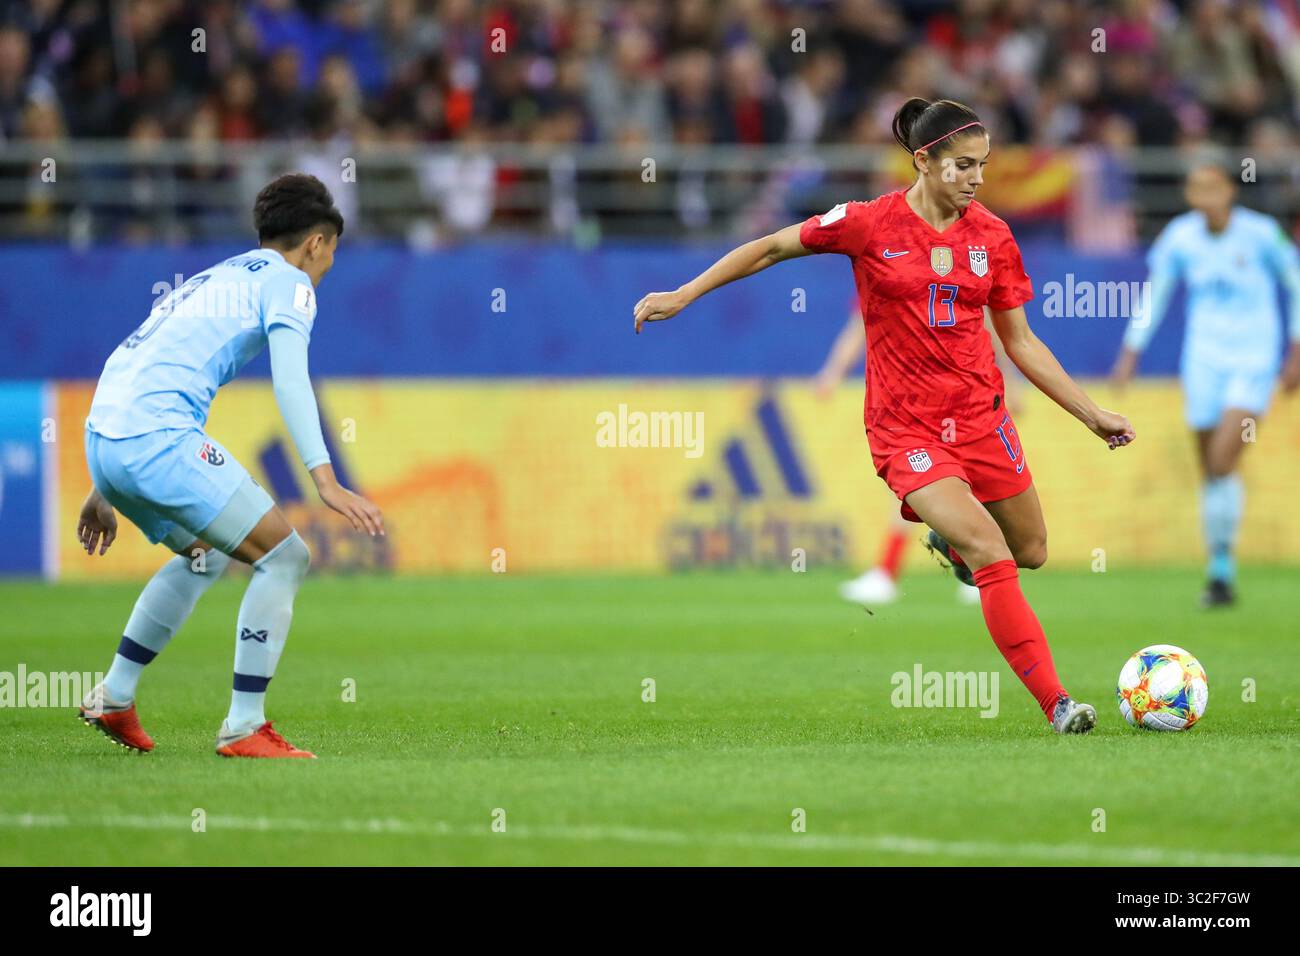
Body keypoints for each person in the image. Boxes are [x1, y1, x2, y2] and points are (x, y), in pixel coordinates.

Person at [634, 98, 1136, 733]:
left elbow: (1022, 341)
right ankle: (1058, 703)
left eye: (982, 165)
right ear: (923, 161)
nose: (976, 178)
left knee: (1031, 550)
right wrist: (686, 293)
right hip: (906, 430)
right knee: (987, 549)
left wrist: (1090, 414)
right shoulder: (868, 223)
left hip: (982, 419)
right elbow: (770, 248)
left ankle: (948, 543)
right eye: (961, 165)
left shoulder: (994, 237)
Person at [76, 173, 384, 758]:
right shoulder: (291, 283)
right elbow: (291, 379)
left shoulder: (216, 275)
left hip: (106, 433)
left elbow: (135, 355)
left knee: (205, 554)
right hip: (156, 436)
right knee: (286, 555)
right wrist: (324, 478)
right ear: (315, 244)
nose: (324, 271)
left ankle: (115, 694)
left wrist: (102, 485)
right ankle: (245, 725)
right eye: (330, 256)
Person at [1112, 161, 1300, 607]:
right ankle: (1220, 571)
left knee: (1222, 458)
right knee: (1211, 468)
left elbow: (1296, 283)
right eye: (1196, 189)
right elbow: (1155, 294)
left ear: (1230, 191)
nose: (1204, 197)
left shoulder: (1261, 234)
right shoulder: (1180, 236)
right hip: (1202, 361)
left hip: (1253, 359)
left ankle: (1221, 570)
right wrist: (1131, 350)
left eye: (1212, 188)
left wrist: (1296, 350)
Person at [816, 303, 1023, 606]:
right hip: (911, 403)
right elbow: (859, 326)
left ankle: (980, 568)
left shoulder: (953, 269)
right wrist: (833, 372)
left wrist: (1012, 385)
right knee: (909, 491)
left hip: (963, 400)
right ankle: (889, 572)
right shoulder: (884, 269)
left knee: (972, 487)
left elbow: (989, 329)